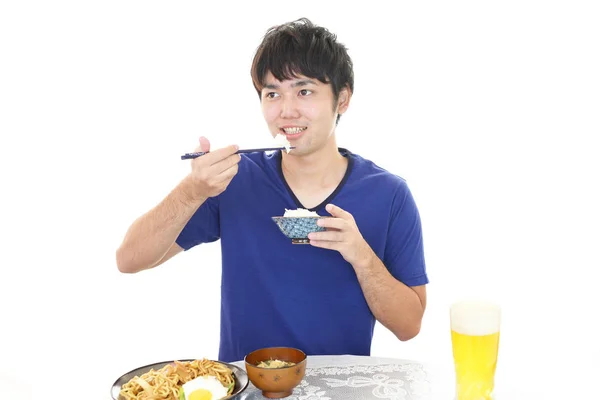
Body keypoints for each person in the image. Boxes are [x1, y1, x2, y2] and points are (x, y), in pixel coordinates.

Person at [116, 18, 429, 363]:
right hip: (248, 387)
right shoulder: (233, 180)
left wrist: (362, 257)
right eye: (272, 94)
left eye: (304, 91)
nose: (286, 110)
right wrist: (192, 191)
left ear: (342, 99)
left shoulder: (389, 194)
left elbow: (409, 326)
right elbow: (129, 260)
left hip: (341, 389)